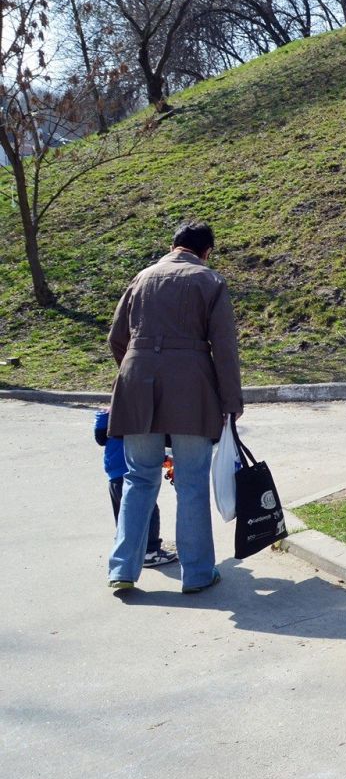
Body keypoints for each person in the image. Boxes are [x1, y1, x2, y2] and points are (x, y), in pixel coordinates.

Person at [105, 221, 243, 593]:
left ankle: (122, 570)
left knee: (138, 478)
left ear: (174, 245)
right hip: (191, 387)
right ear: (206, 251)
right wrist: (231, 401)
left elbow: (117, 338)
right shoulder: (210, 281)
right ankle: (197, 574)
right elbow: (225, 349)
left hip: (136, 383)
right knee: (192, 481)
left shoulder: (142, 277)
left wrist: (138, 370)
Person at [94, 408, 177, 568]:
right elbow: (145, 451)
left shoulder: (112, 420)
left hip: (114, 477)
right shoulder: (139, 422)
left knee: (124, 515)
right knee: (150, 511)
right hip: (134, 476)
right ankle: (150, 551)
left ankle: (125, 550)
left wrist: (104, 414)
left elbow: (100, 437)